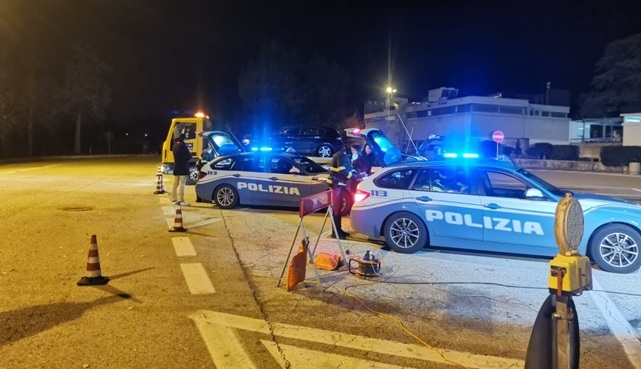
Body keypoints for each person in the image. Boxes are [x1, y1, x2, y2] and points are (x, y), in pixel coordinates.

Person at [326, 146, 356, 238]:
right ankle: (335, 233)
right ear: (352, 148)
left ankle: (338, 230)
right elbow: (342, 170)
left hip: (339, 184)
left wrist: (356, 173)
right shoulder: (341, 155)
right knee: (336, 210)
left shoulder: (345, 154)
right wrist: (352, 176)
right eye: (356, 151)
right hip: (336, 185)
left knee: (338, 210)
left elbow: (348, 168)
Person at [172, 134, 192, 206]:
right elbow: (189, 156)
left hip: (176, 166)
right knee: (182, 184)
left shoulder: (174, 146)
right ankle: (181, 200)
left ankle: (174, 199)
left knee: (175, 184)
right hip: (183, 167)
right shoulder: (183, 146)